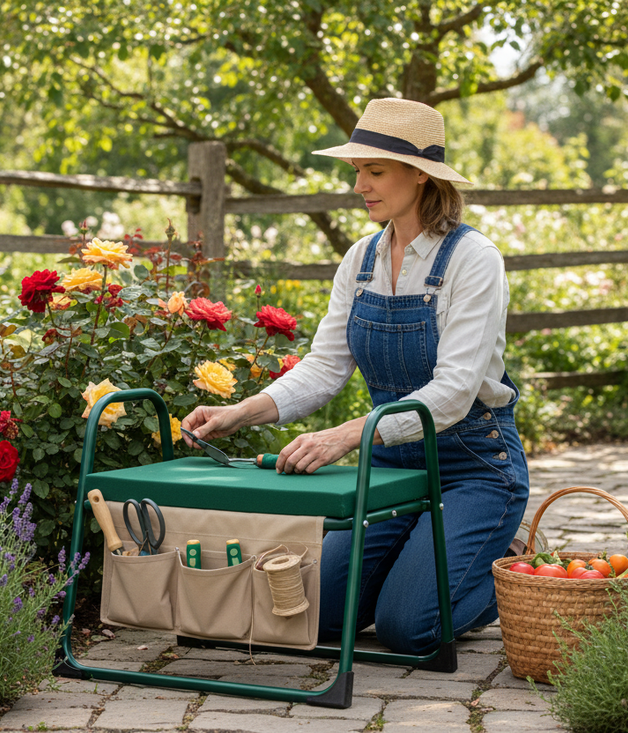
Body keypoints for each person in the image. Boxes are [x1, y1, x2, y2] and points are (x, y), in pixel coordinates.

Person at [181, 98, 530, 654]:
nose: (359, 185)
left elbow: (454, 392)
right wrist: (239, 413)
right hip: (389, 466)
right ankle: (421, 559)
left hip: (473, 466)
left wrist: (346, 436)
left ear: (419, 174)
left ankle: (509, 565)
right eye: (357, 171)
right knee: (315, 617)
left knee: (407, 628)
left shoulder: (473, 259)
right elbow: (325, 367)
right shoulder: (361, 260)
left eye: (375, 171)